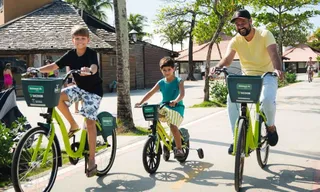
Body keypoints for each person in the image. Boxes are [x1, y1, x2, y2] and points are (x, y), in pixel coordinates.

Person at [29, 25, 102, 177]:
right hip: (79, 88)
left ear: (87, 40)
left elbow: (94, 66)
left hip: (93, 91)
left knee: (90, 122)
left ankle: (92, 158)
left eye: (83, 38)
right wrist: (37, 70)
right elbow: (54, 66)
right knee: (56, 96)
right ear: (73, 40)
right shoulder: (70, 54)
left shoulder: (91, 53)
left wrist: (89, 70)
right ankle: (73, 124)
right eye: (77, 38)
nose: (80, 41)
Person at [210, 9, 284, 155]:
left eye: (243, 22)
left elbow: (273, 53)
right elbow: (228, 59)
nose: (240, 26)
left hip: (267, 75)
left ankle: (270, 127)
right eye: (237, 24)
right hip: (247, 77)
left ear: (251, 22)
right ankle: (237, 138)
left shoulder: (264, 34)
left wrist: (277, 69)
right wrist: (218, 67)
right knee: (231, 99)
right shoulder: (236, 39)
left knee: (267, 100)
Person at [135, 57, 186, 158]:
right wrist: (140, 102)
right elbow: (150, 93)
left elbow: (182, 95)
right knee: (153, 115)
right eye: (164, 70)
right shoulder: (161, 82)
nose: (166, 72)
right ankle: (158, 138)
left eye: (169, 70)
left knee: (173, 126)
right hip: (164, 106)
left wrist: (175, 101)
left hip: (176, 107)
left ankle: (179, 149)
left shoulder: (179, 81)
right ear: (161, 70)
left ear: (173, 69)